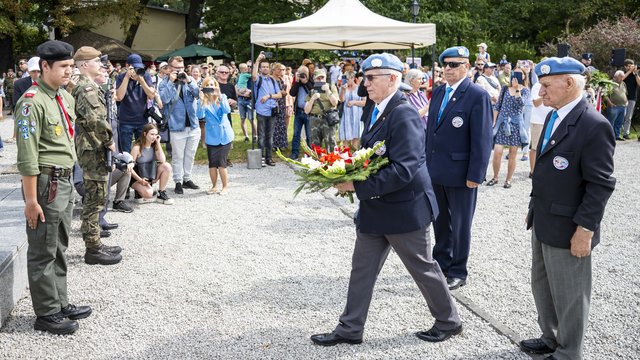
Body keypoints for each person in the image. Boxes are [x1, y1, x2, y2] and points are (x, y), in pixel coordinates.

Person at [311, 53, 461, 347]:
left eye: (370, 78)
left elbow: (405, 169)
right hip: (376, 209)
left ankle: (449, 321)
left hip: (405, 209)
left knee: (422, 268)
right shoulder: (377, 108)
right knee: (362, 269)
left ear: (393, 79)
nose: (364, 83)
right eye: (365, 78)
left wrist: (356, 185)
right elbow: (373, 155)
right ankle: (350, 328)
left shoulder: (402, 113)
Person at [519, 57, 616, 360]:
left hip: (570, 226)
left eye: (546, 85)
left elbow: (600, 184)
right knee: (543, 286)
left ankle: (569, 351)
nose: (541, 92)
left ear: (570, 83)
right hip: (545, 218)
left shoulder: (593, 124)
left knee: (570, 294)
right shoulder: (554, 115)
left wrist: (585, 230)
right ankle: (551, 337)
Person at [15, 40, 92, 335]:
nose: (68, 72)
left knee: (58, 245)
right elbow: (27, 157)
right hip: (45, 183)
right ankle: (46, 313)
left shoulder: (63, 98)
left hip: (63, 181)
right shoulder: (31, 102)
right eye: (63, 67)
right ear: (44, 66)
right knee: (42, 248)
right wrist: (31, 200)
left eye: (71, 66)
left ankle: (59, 302)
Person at [425, 46, 493, 290]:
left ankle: (458, 270)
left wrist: (476, 174)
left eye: (454, 65)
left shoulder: (476, 95)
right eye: (446, 64)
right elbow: (430, 132)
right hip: (436, 170)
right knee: (440, 220)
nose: (448, 69)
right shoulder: (439, 92)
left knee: (461, 224)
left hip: (461, 172)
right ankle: (441, 262)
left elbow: (483, 139)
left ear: (467, 67)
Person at [72, 46, 123, 265]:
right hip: (93, 148)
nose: (100, 65)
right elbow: (95, 120)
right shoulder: (86, 89)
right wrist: (109, 141)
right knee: (94, 200)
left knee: (99, 197)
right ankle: (92, 250)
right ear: (84, 65)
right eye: (95, 61)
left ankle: (95, 244)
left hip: (94, 147)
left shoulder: (91, 86)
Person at [159, 56, 201, 194]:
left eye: (182, 68)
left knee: (191, 154)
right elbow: (164, 99)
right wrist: (171, 82)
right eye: (177, 68)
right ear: (170, 68)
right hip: (177, 125)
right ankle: (177, 181)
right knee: (178, 156)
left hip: (193, 125)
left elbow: (197, 94)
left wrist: (189, 80)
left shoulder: (189, 80)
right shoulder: (164, 83)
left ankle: (187, 178)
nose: (180, 71)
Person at [486, 69, 530, 189]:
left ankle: (508, 180)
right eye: (514, 73)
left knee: (512, 154)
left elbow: (521, 104)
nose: (516, 76)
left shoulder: (525, 90)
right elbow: (498, 105)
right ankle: (495, 177)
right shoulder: (505, 88)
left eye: (519, 74)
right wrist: (494, 121)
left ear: (524, 76)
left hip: (515, 125)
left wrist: (517, 89)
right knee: (497, 152)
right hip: (501, 122)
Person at [115, 54, 156, 153]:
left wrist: (141, 80)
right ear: (127, 66)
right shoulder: (121, 77)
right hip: (125, 120)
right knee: (125, 153)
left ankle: (140, 168)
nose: (137, 70)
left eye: (139, 67)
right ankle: (127, 168)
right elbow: (119, 97)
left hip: (142, 120)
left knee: (142, 151)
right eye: (134, 67)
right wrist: (126, 77)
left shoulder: (145, 76)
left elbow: (151, 95)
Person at [198, 78, 232, 195]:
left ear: (216, 86)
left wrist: (220, 97)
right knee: (212, 164)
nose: (210, 87)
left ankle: (225, 187)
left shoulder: (223, 97)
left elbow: (227, 110)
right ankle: (214, 186)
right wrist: (201, 101)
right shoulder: (203, 101)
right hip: (212, 136)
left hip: (224, 135)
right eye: (207, 85)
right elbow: (200, 115)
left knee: (222, 163)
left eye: (212, 85)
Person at [252, 51, 283, 166]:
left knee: (270, 137)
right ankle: (261, 159)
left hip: (272, 111)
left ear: (269, 69)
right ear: (260, 69)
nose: (265, 68)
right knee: (261, 137)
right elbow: (254, 75)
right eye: (263, 67)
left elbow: (279, 95)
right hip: (261, 111)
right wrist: (257, 60)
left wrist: (269, 96)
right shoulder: (258, 79)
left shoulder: (273, 80)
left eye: (266, 67)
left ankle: (269, 158)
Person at [129, 123, 174, 204]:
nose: (154, 137)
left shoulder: (154, 146)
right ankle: (138, 192)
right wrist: (140, 180)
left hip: (149, 175)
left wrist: (158, 143)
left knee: (167, 166)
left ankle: (161, 192)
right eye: (152, 134)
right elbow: (130, 168)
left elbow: (163, 160)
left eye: (156, 134)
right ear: (145, 134)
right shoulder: (137, 148)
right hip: (138, 178)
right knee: (149, 194)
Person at [304, 69, 338, 152]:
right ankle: (316, 163)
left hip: (328, 119)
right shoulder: (312, 91)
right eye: (318, 78)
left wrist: (327, 91)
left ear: (326, 78)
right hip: (315, 120)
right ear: (314, 79)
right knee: (315, 145)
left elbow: (335, 103)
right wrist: (312, 98)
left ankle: (332, 163)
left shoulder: (331, 87)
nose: (321, 80)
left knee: (330, 144)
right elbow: (306, 111)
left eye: (322, 77)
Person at [528, 79, 554, 178]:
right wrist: (544, 93)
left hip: (550, 119)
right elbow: (536, 103)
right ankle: (533, 170)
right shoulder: (537, 86)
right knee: (535, 147)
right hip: (537, 121)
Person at [288, 65, 313, 159]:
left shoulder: (310, 81)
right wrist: (298, 82)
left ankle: (310, 153)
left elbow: (312, 92)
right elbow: (292, 93)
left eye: (304, 73)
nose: (302, 75)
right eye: (300, 73)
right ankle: (295, 153)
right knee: (296, 133)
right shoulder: (297, 82)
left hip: (309, 112)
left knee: (309, 134)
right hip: (298, 111)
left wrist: (305, 82)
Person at [338, 71, 365, 148]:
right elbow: (341, 100)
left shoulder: (359, 88)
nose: (346, 81)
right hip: (346, 116)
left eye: (347, 79)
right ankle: (345, 158)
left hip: (357, 116)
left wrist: (354, 102)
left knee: (355, 142)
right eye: (345, 79)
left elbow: (364, 102)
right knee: (345, 140)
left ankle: (355, 158)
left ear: (353, 78)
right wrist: (343, 90)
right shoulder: (343, 88)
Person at [235, 63, 255, 143]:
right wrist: (242, 94)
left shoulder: (254, 77)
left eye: (251, 66)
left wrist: (249, 94)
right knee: (242, 118)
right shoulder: (241, 76)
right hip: (241, 99)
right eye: (248, 66)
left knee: (251, 119)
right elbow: (236, 89)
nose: (249, 68)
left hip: (250, 100)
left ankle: (255, 136)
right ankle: (246, 136)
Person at [271, 62, 289, 150]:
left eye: (281, 69)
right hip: (274, 103)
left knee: (282, 123)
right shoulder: (271, 79)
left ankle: (281, 144)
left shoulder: (280, 79)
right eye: (278, 69)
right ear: (273, 70)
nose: (280, 71)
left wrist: (284, 93)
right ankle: (274, 144)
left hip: (282, 103)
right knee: (275, 124)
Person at [605, 70, 628, 141]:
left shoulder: (623, 83)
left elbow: (625, 93)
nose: (622, 78)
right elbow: (605, 94)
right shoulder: (610, 83)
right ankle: (610, 137)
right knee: (611, 122)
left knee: (619, 122)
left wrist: (626, 102)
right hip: (614, 106)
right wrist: (609, 103)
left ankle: (617, 135)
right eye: (621, 77)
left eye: (623, 77)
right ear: (616, 76)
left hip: (623, 106)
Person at [621, 59, 640, 140]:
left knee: (628, 116)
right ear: (625, 67)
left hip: (632, 98)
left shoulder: (635, 74)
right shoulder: (622, 73)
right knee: (621, 116)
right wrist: (629, 72)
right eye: (628, 66)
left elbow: (639, 84)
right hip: (622, 98)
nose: (630, 68)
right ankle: (617, 133)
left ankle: (626, 133)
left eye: (631, 66)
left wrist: (635, 74)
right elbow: (621, 79)